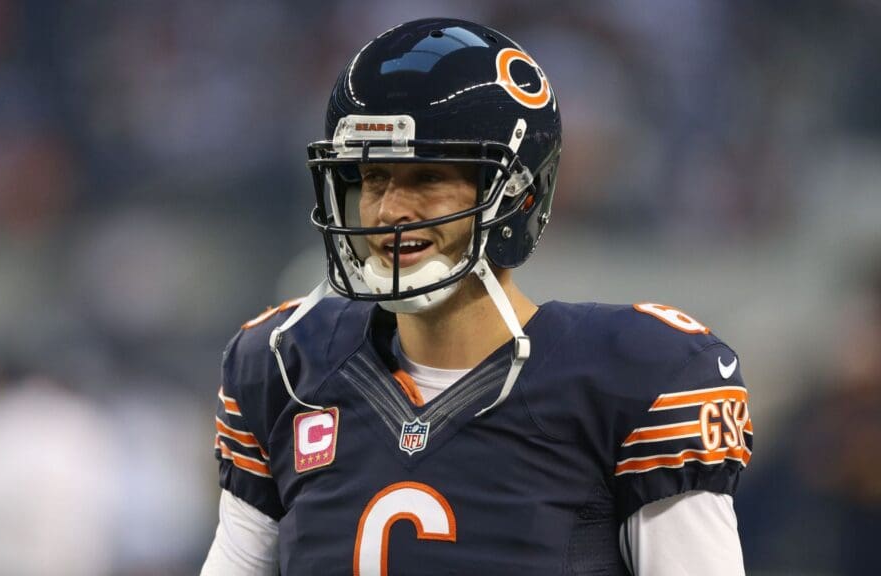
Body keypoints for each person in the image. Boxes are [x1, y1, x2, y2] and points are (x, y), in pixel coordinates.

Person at [202, 17, 751, 575]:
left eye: (427, 177)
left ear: (515, 196)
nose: (391, 209)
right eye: (372, 178)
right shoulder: (285, 366)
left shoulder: (633, 378)